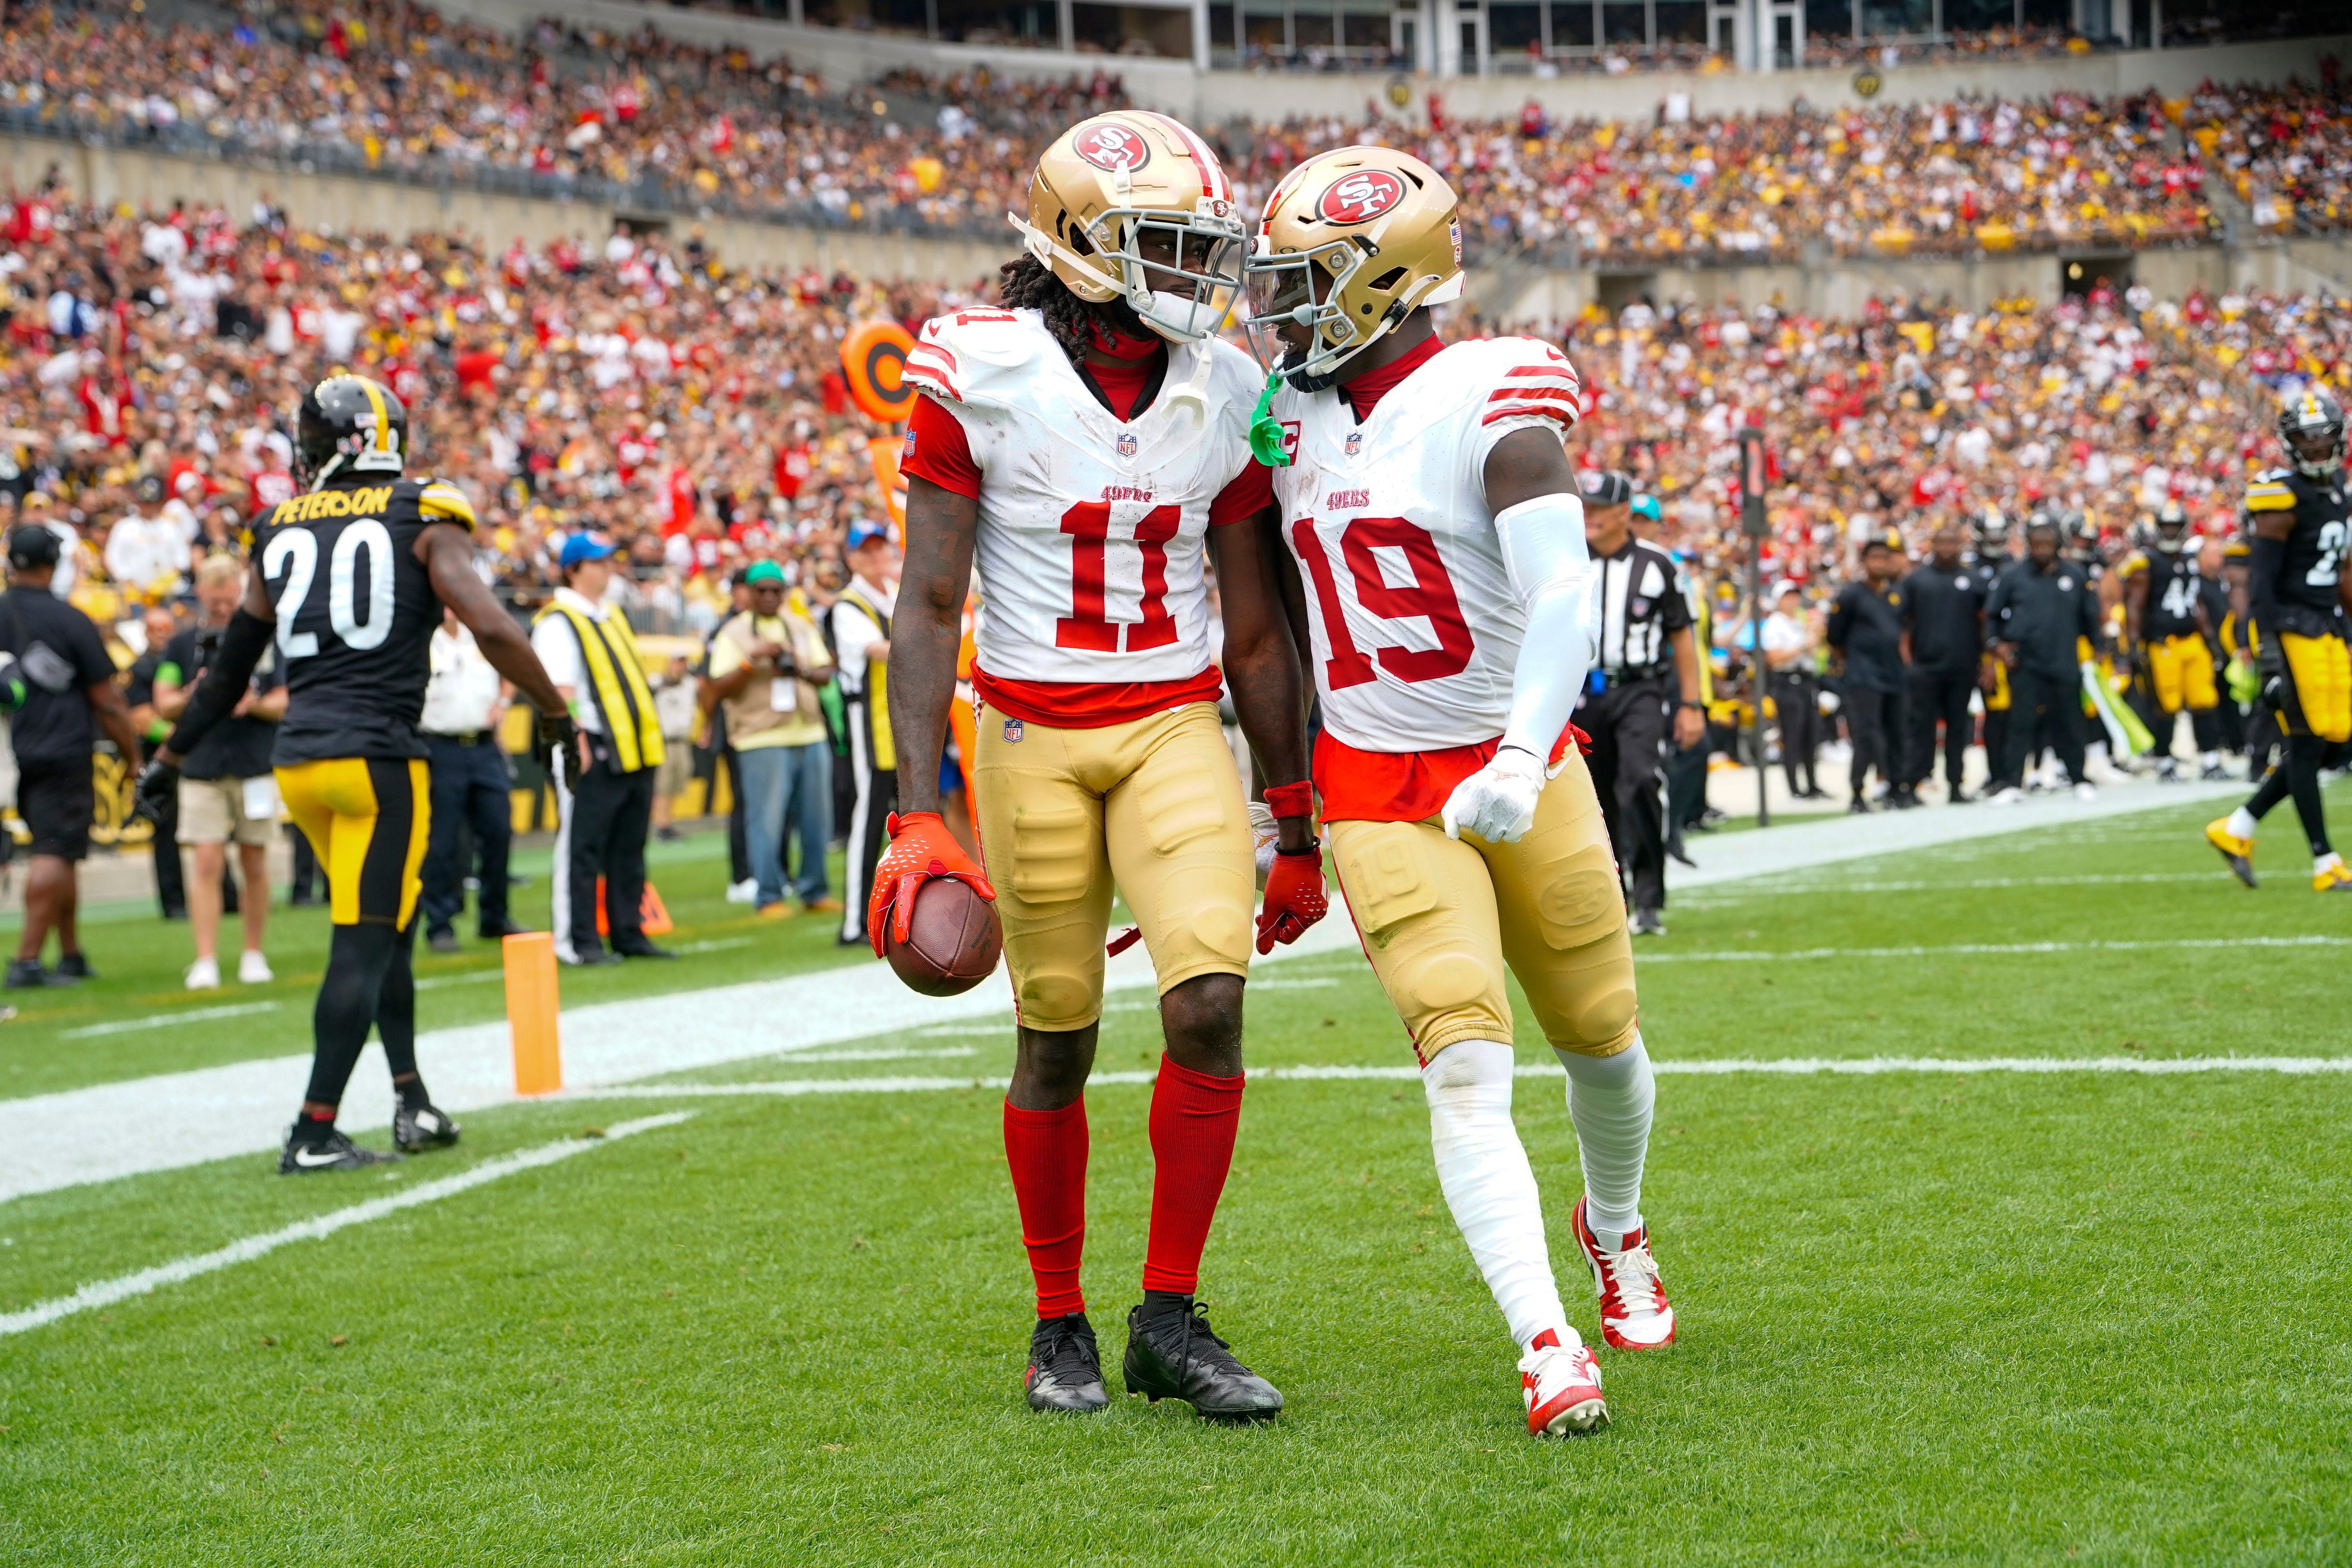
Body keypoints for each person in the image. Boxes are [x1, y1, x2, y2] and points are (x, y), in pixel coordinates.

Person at [887, 111, 1321, 1422]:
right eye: (1169, 246)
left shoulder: (1228, 385)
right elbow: (926, 602)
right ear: (1078, 249)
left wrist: (1293, 816)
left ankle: (1170, 1314)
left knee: (1208, 1006)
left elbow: (1254, 624)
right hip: (1029, 733)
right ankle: (1058, 1319)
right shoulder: (981, 369)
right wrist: (917, 816)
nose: (1200, 271)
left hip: (1177, 725)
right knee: (1057, 1039)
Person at [1244, 145, 1672, 1439]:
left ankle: (1616, 1230)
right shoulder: (1285, 415)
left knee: (1603, 1037)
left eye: (1306, 283)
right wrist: (1288, 816)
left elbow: (1562, 597)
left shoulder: (1497, 394)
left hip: (1517, 758)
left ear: (1385, 281)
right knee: (1463, 1063)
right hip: (1376, 782)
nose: (1283, 311)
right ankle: (1545, 1342)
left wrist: (1519, 750)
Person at [135, 375, 581, 1172]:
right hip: (378, 763)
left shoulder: (278, 527)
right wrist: (555, 711)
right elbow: (487, 623)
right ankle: (314, 1128)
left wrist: (170, 757)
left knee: (389, 927)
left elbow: (231, 668)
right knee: (364, 943)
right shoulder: (421, 509)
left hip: (302, 764)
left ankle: (412, 1097)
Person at [2206, 387, 2352, 893]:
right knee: (2306, 744)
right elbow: (2260, 583)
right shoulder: (2277, 494)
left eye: (2323, 440)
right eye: (2305, 442)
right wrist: (2264, 651)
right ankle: (2325, 861)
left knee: (2334, 740)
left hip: (2327, 625)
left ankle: (2237, 828)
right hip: (2290, 628)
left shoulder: (2338, 487)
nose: (2316, 450)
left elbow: (2344, 570)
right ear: (2290, 445)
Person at [0, 523, 146, 988]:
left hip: (15, 746)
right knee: (54, 851)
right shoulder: (69, 620)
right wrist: (134, 757)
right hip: (62, 747)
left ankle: (71, 953)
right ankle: (26, 960)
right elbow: (106, 699)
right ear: (53, 563)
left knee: (64, 849)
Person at [530, 533, 675, 966]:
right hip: (591, 745)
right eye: (598, 562)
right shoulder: (558, 621)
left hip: (630, 748)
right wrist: (574, 741)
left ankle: (628, 932)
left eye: (610, 560)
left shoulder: (608, 614)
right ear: (574, 569)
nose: (608, 568)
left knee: (628, 848)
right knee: (581, 848)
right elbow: (559, 689)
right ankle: (577, 941)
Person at [1575, 470, 1704, 935]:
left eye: (1596, 507)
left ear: (1623, 513)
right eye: (1583, 505)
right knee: (1594, 797)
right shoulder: (1565, 556)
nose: (1586, 515)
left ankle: (1649, 897)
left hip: (1640, 688)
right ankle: (1616, 896)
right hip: (1580, 690)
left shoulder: (1658, 564)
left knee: (1641, 780)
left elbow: (1681, 636)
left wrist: (1692, 703)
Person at [153, 554, 285, 988]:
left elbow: (289, 696)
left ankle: (254, 951)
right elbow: (163, 700)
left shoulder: (266, 639)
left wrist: (255, 705)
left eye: (230, 601)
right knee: (206, 861)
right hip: (202, 763)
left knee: (255, 859)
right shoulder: (182, 644)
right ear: (201, 597)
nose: (224, 610)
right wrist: (199, 694)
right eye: (215, 602)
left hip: (254, 762)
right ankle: (205, 957)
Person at [706, 558, 836, 917]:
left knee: (816, 819)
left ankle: (814, 889)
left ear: (784, 593)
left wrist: (802, 667)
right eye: (761, 590)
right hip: (760, 737)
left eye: (775, 590)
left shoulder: (799, 626)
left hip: (808, 731)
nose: (768, 596)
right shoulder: (732, 632)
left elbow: (826, 672)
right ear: (747, 592)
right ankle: (769, 894)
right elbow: (718, 686)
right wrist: (752, 661)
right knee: (766, 821)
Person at [418, 606, 524, 953]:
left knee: (498, 830)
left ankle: (495, 916)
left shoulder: (480, 636)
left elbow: (512, 666)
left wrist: (504, 703)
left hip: (483, 745)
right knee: (442, 841)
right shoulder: (422, 639)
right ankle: (440, 923)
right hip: (440, 746)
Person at [1984, 513, 2102, 803]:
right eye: (2035, 543)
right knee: (2020, 723)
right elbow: (1992, 616)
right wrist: (1997, 646)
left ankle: (2078, 778)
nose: (2041, 549)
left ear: (2057, 544)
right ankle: (2012, 782)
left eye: (2046, 543)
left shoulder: (2074, 575)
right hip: (2026, 663)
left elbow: (2090, 618)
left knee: (2071, 722)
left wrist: (2098, 651)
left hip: (2064, 661)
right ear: (2028, 544)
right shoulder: (2012, 576)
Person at [2118, 501, 2225, 782]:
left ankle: (2210, 760)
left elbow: (2196, 602)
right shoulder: (2147, 561)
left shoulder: (2189, 559)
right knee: (2165, 706)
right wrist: (2132, 644)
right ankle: (2165, 762)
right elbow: (2135, 606)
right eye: (2165, 527)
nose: (2169, 532)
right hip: (2162, 644)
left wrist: (2211, 638)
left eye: (2174, 527)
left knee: (2205, 700)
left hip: (2191, 640)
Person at [830, 517, 898, 946]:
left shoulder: (892, 593)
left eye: (881, 547)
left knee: (910, 819)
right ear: (853, 557)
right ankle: (855, 920)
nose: (877, 556)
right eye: (867, 550)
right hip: (871, 726)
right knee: (868, 820)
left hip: (901, 719)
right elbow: (878, 649)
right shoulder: (848, 605)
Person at [1899, 524, 1987, 803]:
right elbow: (1902, 626)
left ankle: (1956, 786)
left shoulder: (1973, 580)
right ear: (1932, 545)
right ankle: (1915, 782)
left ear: (1960, 545)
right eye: (1942, 542)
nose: (1947, 547)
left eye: (1952, 542)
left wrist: (1984, 661)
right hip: (1926, 668)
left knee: (1959, 729)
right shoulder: (1916, 581)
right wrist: (1909, 664)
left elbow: (1984, 623)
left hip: (1962, 668)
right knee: (1921, 728)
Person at [124, 601, 197, 919]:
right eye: (156, 629)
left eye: (167, 629)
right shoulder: (140, 670)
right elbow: (142, 719)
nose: (162, 636)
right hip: (162, 761)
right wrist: (185, 739)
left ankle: (227, 896)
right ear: (145, 632)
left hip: (192, 758)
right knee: (166, 832)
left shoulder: (183, 660)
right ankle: (174, 904)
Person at [1828, 534, 1911, 811]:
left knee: (1896, 732)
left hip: (1893, 673)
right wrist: (1851, 661)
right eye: (1874, 558)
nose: (1880, 563)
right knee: (1866, 734)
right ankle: (1857, 792)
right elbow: (1834, 634)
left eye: (1884, 558)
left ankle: (1897, 788)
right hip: (1864, 676)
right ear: (1864, 562)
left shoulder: (1896, 594)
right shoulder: (1852, 595)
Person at [1760, 581, 1825, 800]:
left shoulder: (1798, 622)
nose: (1793, 600)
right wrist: (1804, 645)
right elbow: (1774, 658)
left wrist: (1814, 634)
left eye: (1795, 596)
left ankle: (1812, 784)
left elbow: (1813, 651)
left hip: (1806, 681)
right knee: (1793, 735)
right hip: (1787, 683)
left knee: (1811, 734)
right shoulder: (1774, 624)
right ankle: (1795, 788)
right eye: (1788, 596)